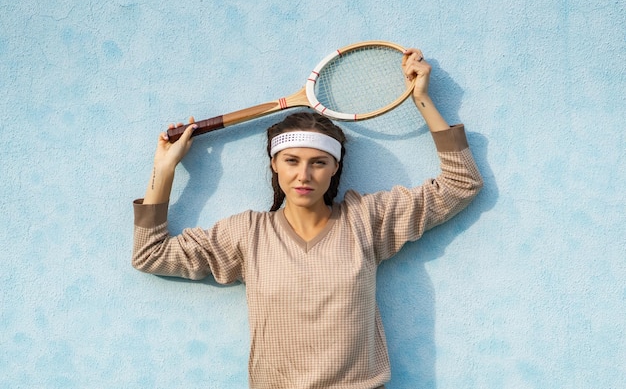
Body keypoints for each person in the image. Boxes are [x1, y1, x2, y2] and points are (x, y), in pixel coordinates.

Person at [132, 48, 483, 389]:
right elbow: (150, 254)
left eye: (318, 162)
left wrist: (420, 98)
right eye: (291, 161)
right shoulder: (246, 234)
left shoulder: (366, 219)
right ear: (274, 164)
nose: (304, 175)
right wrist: (164, 169)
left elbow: (460, 183)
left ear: (335, 168)